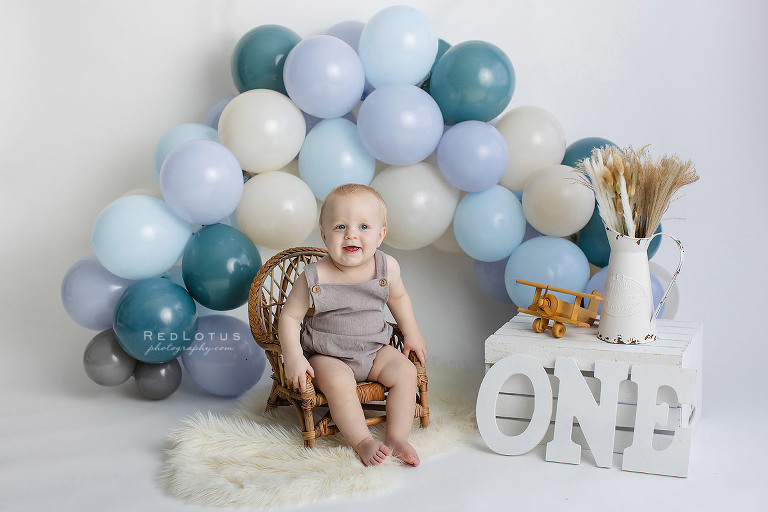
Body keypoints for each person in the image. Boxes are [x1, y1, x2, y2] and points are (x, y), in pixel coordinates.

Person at [278, 183, 427, 467]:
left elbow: (399, 298)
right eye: (340, 226)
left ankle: (397, 437)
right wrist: (293, 356)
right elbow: (289, 317)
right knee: (339, 383)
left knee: (406, 373)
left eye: (363, 226)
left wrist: (412, 332)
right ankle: (362, 440)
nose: (351, 234)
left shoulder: (387, 267)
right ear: (324, 235)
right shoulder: (315, 275)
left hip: (374, 350)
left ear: (381, 234)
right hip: (328, 354)